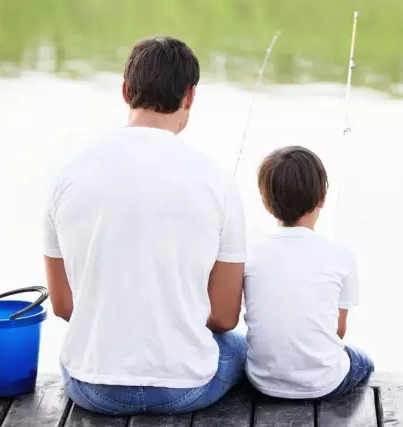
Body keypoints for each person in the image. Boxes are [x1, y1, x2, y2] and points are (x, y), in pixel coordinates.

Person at [43, 36, 247, 415]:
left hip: (91, 386)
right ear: (189, 96)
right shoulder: (217, 181)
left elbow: (65, 305)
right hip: (184, 388)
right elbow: (223, 317)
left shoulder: (67, 175)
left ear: (125, 91)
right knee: (239, 347)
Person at [243, 146, 373, 399]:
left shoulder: (250, 252)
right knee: (364, 361)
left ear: (265, 201)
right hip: (323, 384)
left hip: (261, 382)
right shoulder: (341, 255)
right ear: (322, 197)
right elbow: (338, 330)